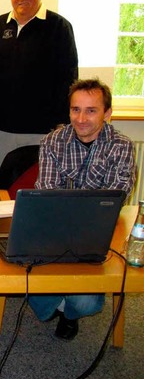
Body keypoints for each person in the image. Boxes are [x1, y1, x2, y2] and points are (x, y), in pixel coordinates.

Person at [30, 79, 136, 340]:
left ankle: (69, 312)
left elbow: (115, 199)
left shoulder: (122, 146)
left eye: (91, 110)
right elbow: (46, 195)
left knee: (87, 303)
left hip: (97, 233)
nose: (81, 118)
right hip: (54, 230)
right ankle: (61, 304)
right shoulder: (52, 141)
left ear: (107, 113)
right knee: (25, 282)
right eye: (76, 109)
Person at [0, 0, 78, 183]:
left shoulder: (59, 27)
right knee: (2, 193)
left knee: (39, 194)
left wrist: (63, 123)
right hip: (0, 131)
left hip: (43, 132)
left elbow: (68, 77)